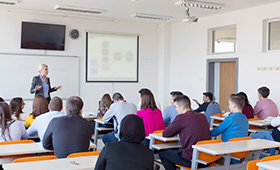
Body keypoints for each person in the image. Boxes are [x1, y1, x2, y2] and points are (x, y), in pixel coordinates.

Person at [159, 95, 210, 169]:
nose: (176, 109)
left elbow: (165, 134)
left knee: (163, 153)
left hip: (191, 158)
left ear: (182, 107)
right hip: (207, 158)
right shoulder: (202, 116)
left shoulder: (181, 118)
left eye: (176, 107)